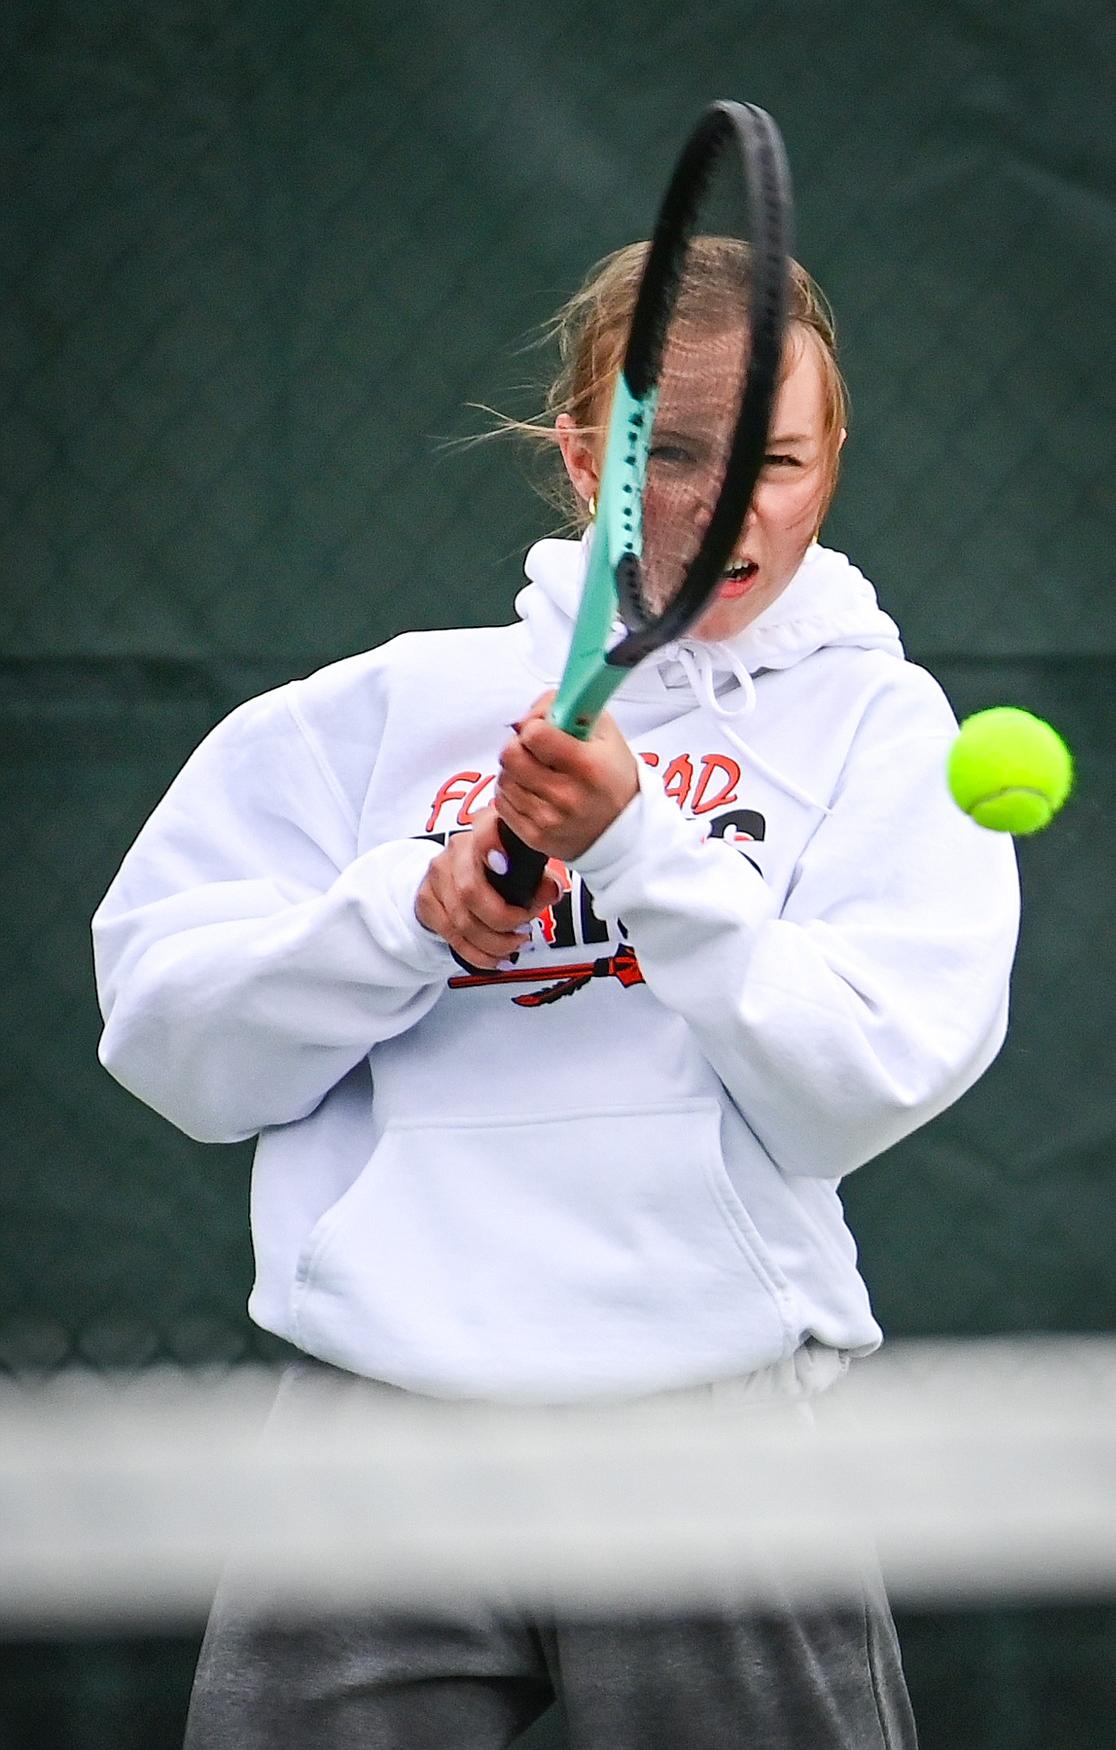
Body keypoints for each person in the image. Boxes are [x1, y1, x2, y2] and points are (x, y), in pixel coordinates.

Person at [93, 240, 1019, 1750]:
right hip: (375, 1434)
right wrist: (409, 911)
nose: (730, 507)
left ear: (831, 460)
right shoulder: (379, 709)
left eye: (776, 459)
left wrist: (640, 843)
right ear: (585, 455)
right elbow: (176, 1048)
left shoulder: (881, 726)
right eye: (677, 456)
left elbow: (861, 1079)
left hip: (715, 1443)